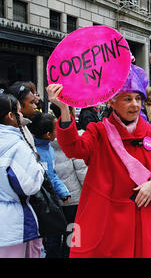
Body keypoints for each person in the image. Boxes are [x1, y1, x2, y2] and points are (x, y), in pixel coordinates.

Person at [46, 64, 151, 258]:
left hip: (143, 217)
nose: (134, 104)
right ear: (112, 103)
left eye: (138, 98)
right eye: (127, 99)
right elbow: (74, 148)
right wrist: (65, 109)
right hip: (105, 220)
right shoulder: (98, 132)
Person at [0, 93, 45, 258]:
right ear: (10, 116)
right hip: (15, 226)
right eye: (18, 112)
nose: (21, 115)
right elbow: (29, 185)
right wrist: (39, 169)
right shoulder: (17, 146)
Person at [29, 111, 71, 258]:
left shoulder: (50, 149)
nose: (58, 130)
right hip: (38, 202)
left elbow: (52, 176)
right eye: (55, 128)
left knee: (53, 237)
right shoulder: (33, 151)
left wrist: (62, 191)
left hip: (51, 200)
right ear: (48, 134)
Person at [49, 103, 87, 258]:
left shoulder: (46, 137)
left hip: (55, 197)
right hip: (75, 198)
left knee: (55, 236)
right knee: (73, 233)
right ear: (71, 111)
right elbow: (82, 170)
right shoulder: (76, 138)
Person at [6, 82, 38, 150]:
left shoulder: (24, 125)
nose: (35, 106)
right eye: (31, 102)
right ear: (18, 105)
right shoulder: (10, 134)